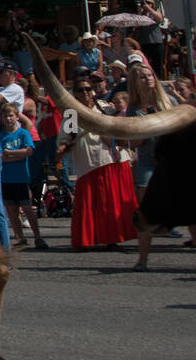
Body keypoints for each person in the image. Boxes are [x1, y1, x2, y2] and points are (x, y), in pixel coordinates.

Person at [128, 62, 196, 271]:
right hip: (148, 161)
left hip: (173, 160)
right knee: (146, 210)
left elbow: (186, 130)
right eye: (142, 77)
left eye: (149, 75)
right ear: (134, 83)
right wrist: (148, 122)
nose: (147, 79)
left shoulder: (170, 101)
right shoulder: (133, 109)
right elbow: (133, 142)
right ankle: (142, 260)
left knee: (192, 209)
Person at [56, 77, 137, 250]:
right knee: (91, 202)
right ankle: (87, 238)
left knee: (112, 202)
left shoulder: (104, 107)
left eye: (87, 89)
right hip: (90, 161)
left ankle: (113, 238)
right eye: (80, 90)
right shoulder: (72, 113)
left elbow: (119, 126)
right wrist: (61, 148)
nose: (85, 92)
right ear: (74, 94)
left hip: (112, 158)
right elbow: (64, 138)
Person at [0, 102, 46, 248]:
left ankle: (38, 236)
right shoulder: (0, 136)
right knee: (11, 210)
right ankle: (20, 237)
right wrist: (16, 155)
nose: (8, 119)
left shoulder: (23, 134)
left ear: (17, 117)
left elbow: (29, 151)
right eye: (5, 116)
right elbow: (0, 156)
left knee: (26, 208)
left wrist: (10, 154)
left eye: (11, 115)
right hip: (6, 177)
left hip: (21, 177)